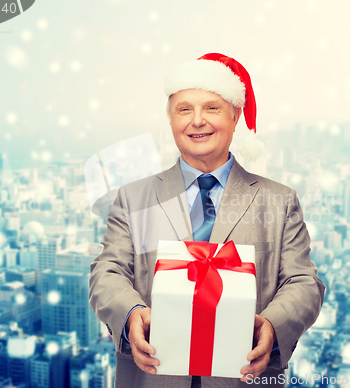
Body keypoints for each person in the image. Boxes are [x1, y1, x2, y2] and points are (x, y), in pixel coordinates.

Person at [89, 53, 325, 388]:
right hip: (153, 375)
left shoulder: (279, 200)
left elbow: (303, 283)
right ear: (170, 120)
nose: (197, 121)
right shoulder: (134, 197)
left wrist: (273, 324)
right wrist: (130, 314)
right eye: (184, 109)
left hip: (245, 377)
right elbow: (107, 270)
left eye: (211, 108)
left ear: (235, 115)